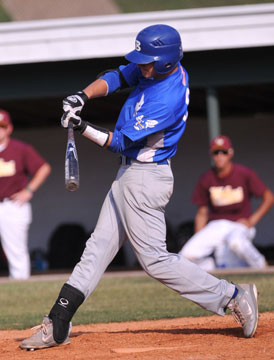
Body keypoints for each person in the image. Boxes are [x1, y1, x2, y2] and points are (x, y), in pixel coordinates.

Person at [20, 24, 259, 351]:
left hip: (146, 177)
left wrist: (81, 124)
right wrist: (83, 96)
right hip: (130, 175)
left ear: (165, 62)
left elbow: (119, 142)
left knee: (155, 260)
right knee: (96, 249)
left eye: (148, 61)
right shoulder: (157, 69)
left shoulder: (167, 97)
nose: (142, 66)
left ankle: (234, 295)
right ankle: (58, 323)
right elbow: (119, 76)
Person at [180, 135, 274, 271]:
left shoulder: (244, 173)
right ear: (211, 155)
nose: (219, 156)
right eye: (215, 152)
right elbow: (202, 212)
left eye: (223, 152)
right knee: (186, 255)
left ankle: (261, 266)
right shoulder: (206, 178)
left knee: (236, 243)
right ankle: (211, 266)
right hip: (216, 225)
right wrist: (199, 237)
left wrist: (251, 221)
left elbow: (269, 197)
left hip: (238, 224)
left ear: (230, 153)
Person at [0, 109, 51, 279]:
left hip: (12, 205)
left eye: (2, 126)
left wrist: (28, 190)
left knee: (16, 250)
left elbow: (44, 168)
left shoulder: (20, 149)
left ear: (9, 128)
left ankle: (20, 286)